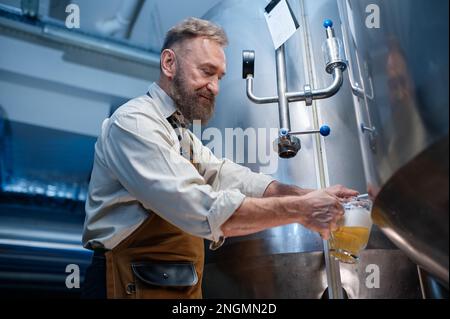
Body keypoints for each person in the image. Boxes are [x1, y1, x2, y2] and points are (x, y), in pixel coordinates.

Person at [81, 17, 358, 299]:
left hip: (171, 286)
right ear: (168, 63)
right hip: (125, 284)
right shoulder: (135, 123)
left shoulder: (180, 134)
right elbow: (201, 208)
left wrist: (306, 194)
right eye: (206, 71)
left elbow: (225, 174)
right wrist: (301, 210)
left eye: (219, 77)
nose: (214, 87)